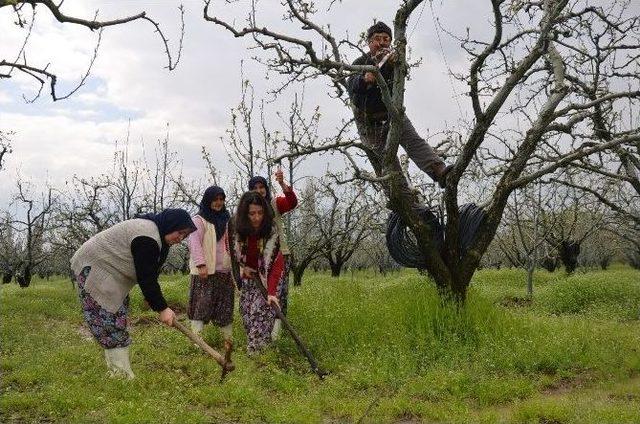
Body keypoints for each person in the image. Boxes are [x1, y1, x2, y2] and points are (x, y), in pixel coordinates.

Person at [70, 209, 197, 379]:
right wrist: (162, 308)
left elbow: (152, 271)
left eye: (185, 235)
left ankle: (117, 373)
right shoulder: (147, 237)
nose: (180, 238)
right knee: (108, 320)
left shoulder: (158, 238)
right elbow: (146, 278)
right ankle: (121, 375)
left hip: (112, 273)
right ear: (171, 225)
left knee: (116, 317)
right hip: (96, 268)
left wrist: (152, 300)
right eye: (180, 232)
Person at [347, 21, 452, 188]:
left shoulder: (394, 61)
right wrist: (365, 79)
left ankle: (439, 171)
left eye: (386, 39)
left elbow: (402, 73)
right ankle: (407, 205)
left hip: (392, 115)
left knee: (415, 142)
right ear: (369, 42)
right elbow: (351, 84)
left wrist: (396, 64)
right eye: (376, 39)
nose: (381, 42)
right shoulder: (360, 61)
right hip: (369, 125)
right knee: (388, 168)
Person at [230, 191, 286, 354]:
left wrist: (272, 292)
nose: (256, 218)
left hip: (268, 279)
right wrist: (243, 268)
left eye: (260, 213)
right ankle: (263, 351)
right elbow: (233, 254)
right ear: (245, 214)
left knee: (259, 316)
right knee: (247, 316)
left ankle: (256, 358)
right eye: (252, 214)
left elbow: (277, 264)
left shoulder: (271, 232)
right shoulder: (237, 230)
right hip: (248, 280)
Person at [248, 169, 297, 339]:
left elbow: (292, 202)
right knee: (259, 294)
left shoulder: (275, 204)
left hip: (278, 255)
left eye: (262, 187)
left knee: (277, 293)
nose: (259, 190)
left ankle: (275, 333)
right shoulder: (247, 210)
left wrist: (282, 184)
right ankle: (258, 328)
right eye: (255, 187)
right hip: (257, 260)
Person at [186, 186, 234, 357]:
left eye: (221, 199)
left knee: (225, 308)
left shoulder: (228, 219)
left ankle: (228, 342)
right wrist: (200, 264)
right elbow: (194, 242)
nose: (219, 203)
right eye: (215, 199)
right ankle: (197, 343)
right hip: (205, 272)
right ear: (208, 200)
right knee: (201, 306)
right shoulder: (199, 220)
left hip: (224, 270)